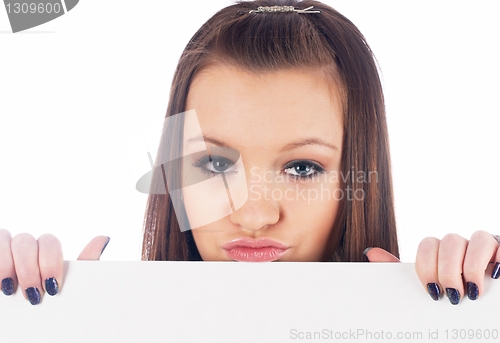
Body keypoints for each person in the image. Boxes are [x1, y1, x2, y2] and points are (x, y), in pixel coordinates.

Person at [1, 0, 499, 307]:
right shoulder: (65, 313)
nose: (255, 214)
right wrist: (39, 327)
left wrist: (477, 321)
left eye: (302, 167)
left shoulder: (452, 310)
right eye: (215, 164)